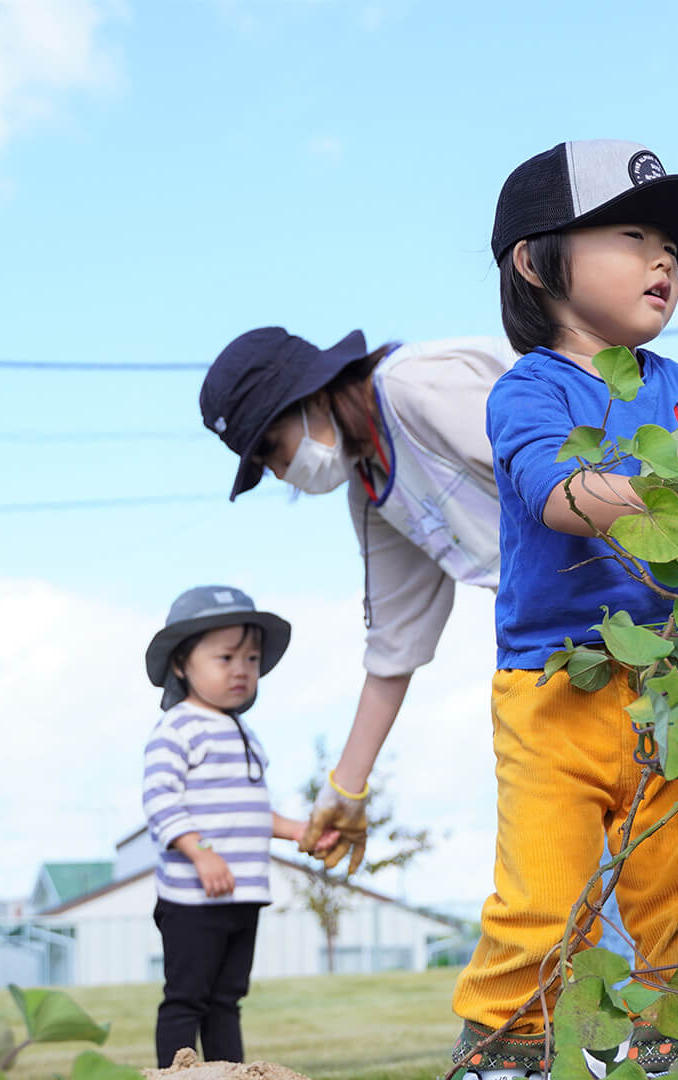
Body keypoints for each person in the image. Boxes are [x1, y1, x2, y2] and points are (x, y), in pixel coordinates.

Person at [450, 139, 678, 1080]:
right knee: (545, 897)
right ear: (537, 260)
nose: (664, 260)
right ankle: (507, 1046)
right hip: (556, 689)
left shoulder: (676, 387)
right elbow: (558, 495)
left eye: (672, 247)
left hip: (675, 686)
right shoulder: (530, 388)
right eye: (632, 234)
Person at [199, 329, 515, 870]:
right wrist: (345, 792)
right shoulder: (372, 488)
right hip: (567, 637)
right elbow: (395, 645)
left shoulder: (416, 387)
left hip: (653, 580)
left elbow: (580, 465)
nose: (278, 473)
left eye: (271, 448)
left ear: (311, 395)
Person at [141, 586, 307, 1066]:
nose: (242, 669)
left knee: (226, 1002)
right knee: (186, 999)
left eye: (252, 658)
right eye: (226, 657)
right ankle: (176, 1076)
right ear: (180, 665)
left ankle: (229, 1075)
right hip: (194, 898)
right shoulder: (178, 728)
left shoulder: (243, 731)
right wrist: (200, 852)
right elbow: (160, 800)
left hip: (244, 893)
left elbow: (249, 810)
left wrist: (296, 830)